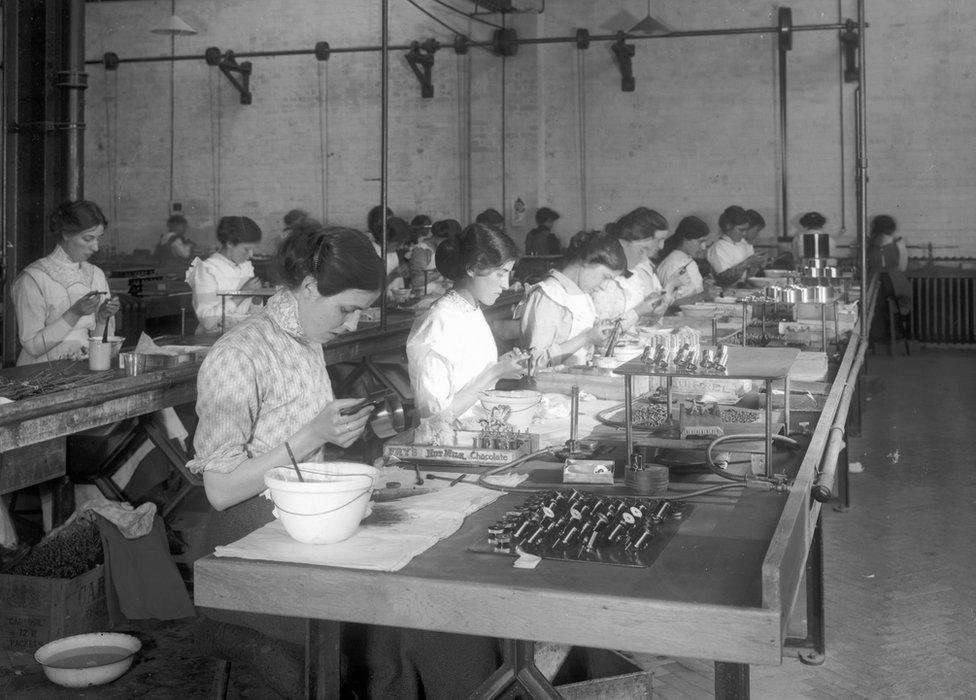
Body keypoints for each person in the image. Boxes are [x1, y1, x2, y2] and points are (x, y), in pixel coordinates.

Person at [187, 222, 383, 696]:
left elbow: (297, 439)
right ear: (311, 288)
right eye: (348, 310)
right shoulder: (238, 354)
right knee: (374, 632)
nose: (353, 324)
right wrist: (311, 434)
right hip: (244, 535)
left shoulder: (307, 339)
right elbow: (220, 491)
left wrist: (335, 432)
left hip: (299, 518)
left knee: (399, 610)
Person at [406, 223, 528, 419]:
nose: (505, 285)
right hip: (447, 442)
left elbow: (466, 375)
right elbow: (435, 417)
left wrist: (499, 366)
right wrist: (494, 373)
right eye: (500, 273)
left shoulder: (471, 310)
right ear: (471, 269)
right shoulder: (439, 323)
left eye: (508, 274)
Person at [12, 200, 121, 365]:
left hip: (85, 370)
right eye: (88, 239)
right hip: (40, 374)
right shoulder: (33, 279)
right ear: (66, 234)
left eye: (98, 239)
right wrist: (74, 313)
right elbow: (32, 347)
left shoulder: (96, 275)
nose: (96, 247)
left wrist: (102, 318)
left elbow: (101, 344)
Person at [520, 230, 625, 368]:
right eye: (605, 277)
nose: (604, 287)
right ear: (587, 261)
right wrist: (586, 338)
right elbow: (535, 363)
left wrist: (598, 331)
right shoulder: (548, 296)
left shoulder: (582, 294)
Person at [590, 207, 674, 327]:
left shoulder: (634, 273)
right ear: (622, 243)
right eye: (642, 250)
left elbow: (642, 325)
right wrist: (638, 311)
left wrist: (653, 310)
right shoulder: (605, 277)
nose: (644, 257)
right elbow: (602, 331)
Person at [186, 216, 265, 334]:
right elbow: (208, 321)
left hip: (242, 335)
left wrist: (256, 301)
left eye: (253, 250)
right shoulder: (208, 269)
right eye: (246, 249)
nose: (250, 255)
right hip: (213, 339)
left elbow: (251, 313)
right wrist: (242, 294)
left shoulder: (245, 267)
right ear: (230, 243)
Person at [656, 215, 711, 305]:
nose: (704, 247)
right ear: (685, 239)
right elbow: (667, 305)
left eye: (705, 242)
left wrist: (704, 288)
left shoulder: (689, 260)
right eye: (700, 241)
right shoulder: (673, 265)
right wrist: (702, 296)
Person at [706, 205, 761, 284]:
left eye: (746, 230)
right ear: (728, 226)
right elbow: (724, 278)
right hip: (725, 293)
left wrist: (755, 265)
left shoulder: (741, 244)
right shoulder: (718, 248)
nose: (744, 233)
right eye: (741, 230)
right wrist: (748, 262)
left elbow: (747, 277)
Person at [409, 218, 459, 296]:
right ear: (437, 236)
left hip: (438, 295)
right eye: (446, 241)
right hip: (422, 297)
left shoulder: (442, 249)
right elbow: (415, 281)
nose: (448, 245)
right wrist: (440, 273)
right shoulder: (422, 250)